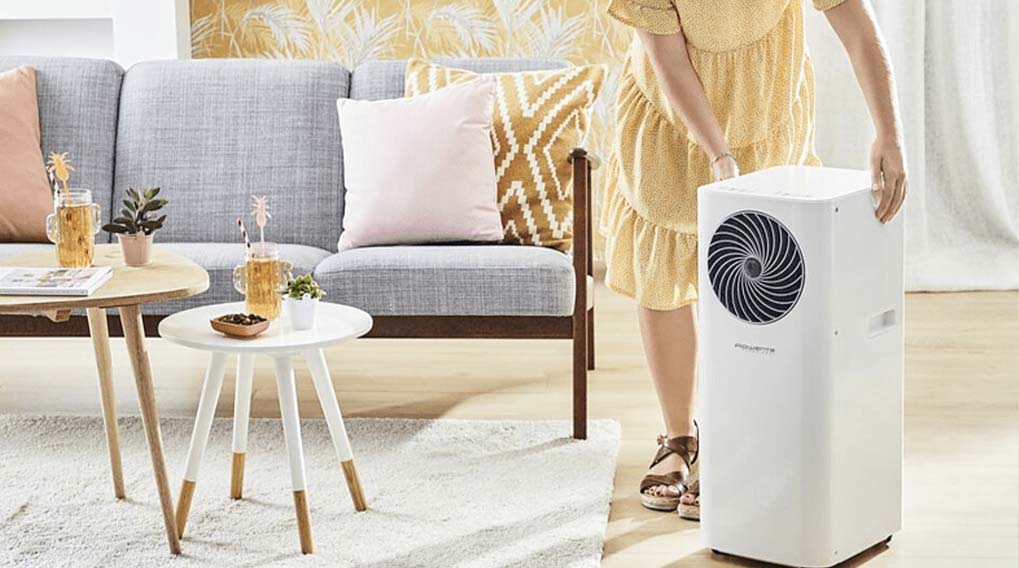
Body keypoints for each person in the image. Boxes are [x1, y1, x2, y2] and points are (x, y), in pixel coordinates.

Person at [602, 0, 908, 520]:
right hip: (671, 120)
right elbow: (667, 58)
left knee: (760, 281)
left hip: (766, 114)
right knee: (665, 274)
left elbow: (855, 24)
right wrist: (718, 154)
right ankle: (678, 438)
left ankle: (736, 439)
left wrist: (890, 132)